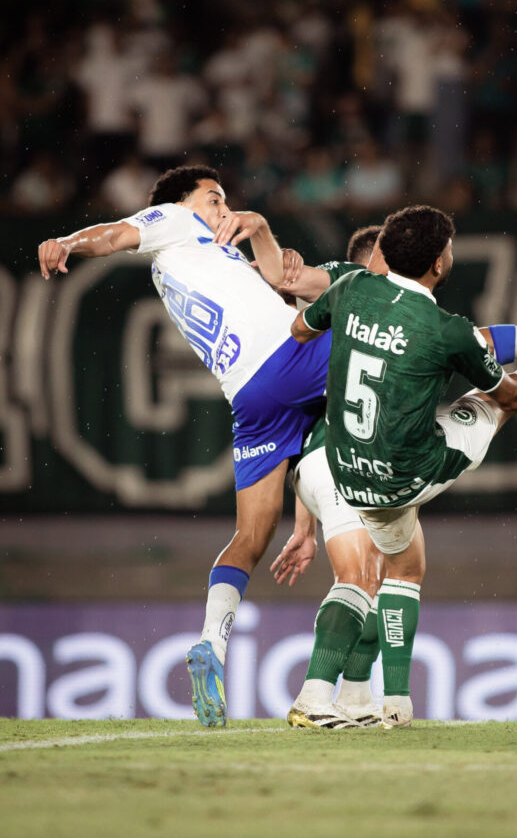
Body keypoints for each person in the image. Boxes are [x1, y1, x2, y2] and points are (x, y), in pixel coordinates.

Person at [287, 205, 517, 728]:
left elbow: (301, 330)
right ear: (440, 264)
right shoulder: (447, 330)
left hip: (348, 468)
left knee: (403, 564)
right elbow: (515, 392)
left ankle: (378, 704)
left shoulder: (349, 291)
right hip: (406, 473)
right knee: (497, 403)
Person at [37, 165, 322, 729]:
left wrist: (306, 527)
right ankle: (497, 370)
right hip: (285, 359)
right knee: (383, 332)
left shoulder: (217, 257)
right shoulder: (172, 221)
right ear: (181, 204)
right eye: (213, 198)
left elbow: (281, 281)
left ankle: (211, 647)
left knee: (247, 537)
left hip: (251, 398)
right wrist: (69, 241)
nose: (222, 207)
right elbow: (116, 235)